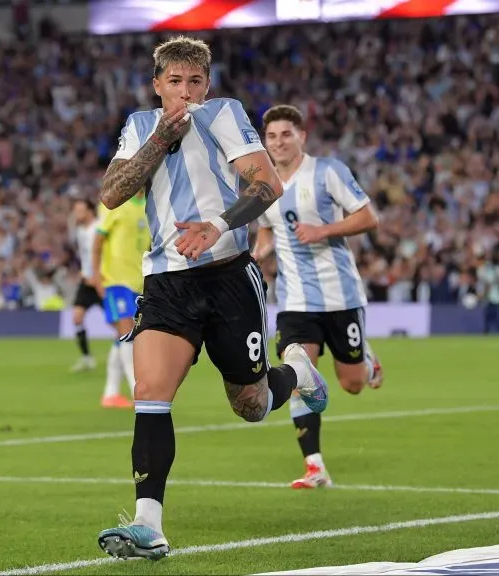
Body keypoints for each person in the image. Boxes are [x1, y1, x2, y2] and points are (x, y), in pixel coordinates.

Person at [95, 36, 329, 561]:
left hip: (228, 277)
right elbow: (111, 194)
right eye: (174, 83)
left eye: (194, 82)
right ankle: (148, 525)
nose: (184, 93)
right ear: (157, 86)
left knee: (250, 404)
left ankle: (296, 372)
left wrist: (217, 224)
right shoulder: (139, 126)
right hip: (166, 284)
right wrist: (159, 139)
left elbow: (267, 183)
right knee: (150, 389)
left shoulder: (224, 115)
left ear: (208, 84)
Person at [251, 104, 384, 490]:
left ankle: (368, 361)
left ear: (301, 137)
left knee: (352, 383)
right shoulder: (262, 183)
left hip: (340, 295)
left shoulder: (328, 172)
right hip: (294, 300)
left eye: (286, 134)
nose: (278, 142)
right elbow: (266, 232)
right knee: (299, 374)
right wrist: (259, 252)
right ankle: (315, 466)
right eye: (271, 136)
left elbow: (368, 217)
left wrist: (324, 231)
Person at [90, 191, 151, 408]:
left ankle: (111, 394)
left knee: (122, 338)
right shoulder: (114, 203)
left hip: (139, 281)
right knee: (127, 334)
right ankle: (139, 391)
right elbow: (98, 240)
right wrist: (96, 275)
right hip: (116, 280)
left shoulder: (148, 204)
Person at [70, 199, 103, 372]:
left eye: (80, 210)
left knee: (119, 324)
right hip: (87, 281)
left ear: (90, 211)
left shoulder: (100, 227)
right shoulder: (79, 230)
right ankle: (86, 357)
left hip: (102, 280)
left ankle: (129, 354)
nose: (77, 214)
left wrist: (99, 274)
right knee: (76, 317)